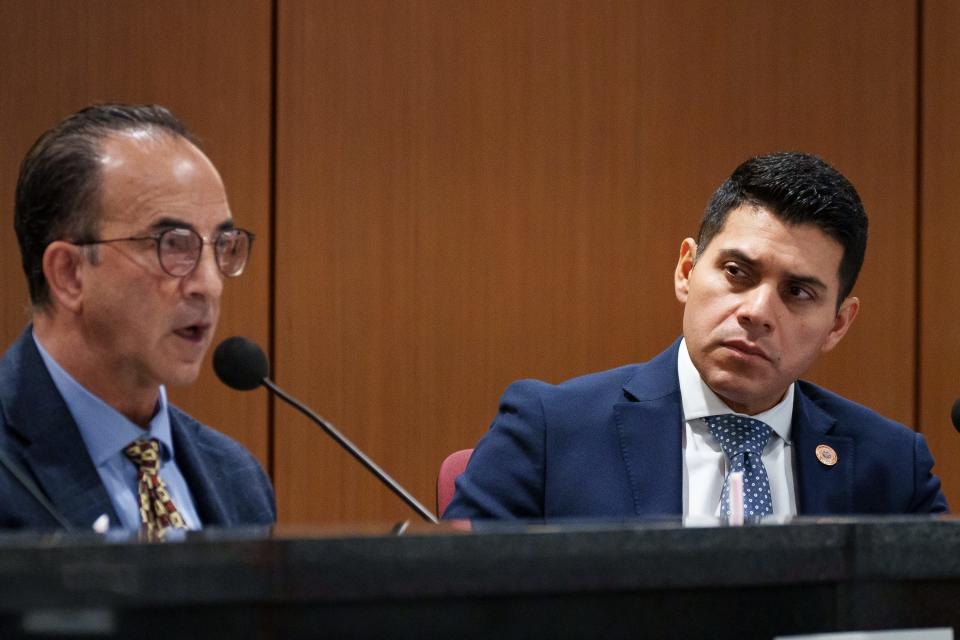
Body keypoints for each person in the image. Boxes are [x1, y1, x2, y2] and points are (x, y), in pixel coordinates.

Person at [445, 152, 948, 521]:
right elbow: (456, 610)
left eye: (797, 292)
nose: (757, 312)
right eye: (736, 271)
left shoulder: (892, 468)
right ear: (687, 269)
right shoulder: (551, 432)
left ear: (838, 323)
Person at [0, 104, 275, 532]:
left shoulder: (238, 479)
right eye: (172, 244)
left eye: (222, 244)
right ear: (70, 274)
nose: (209, 284)